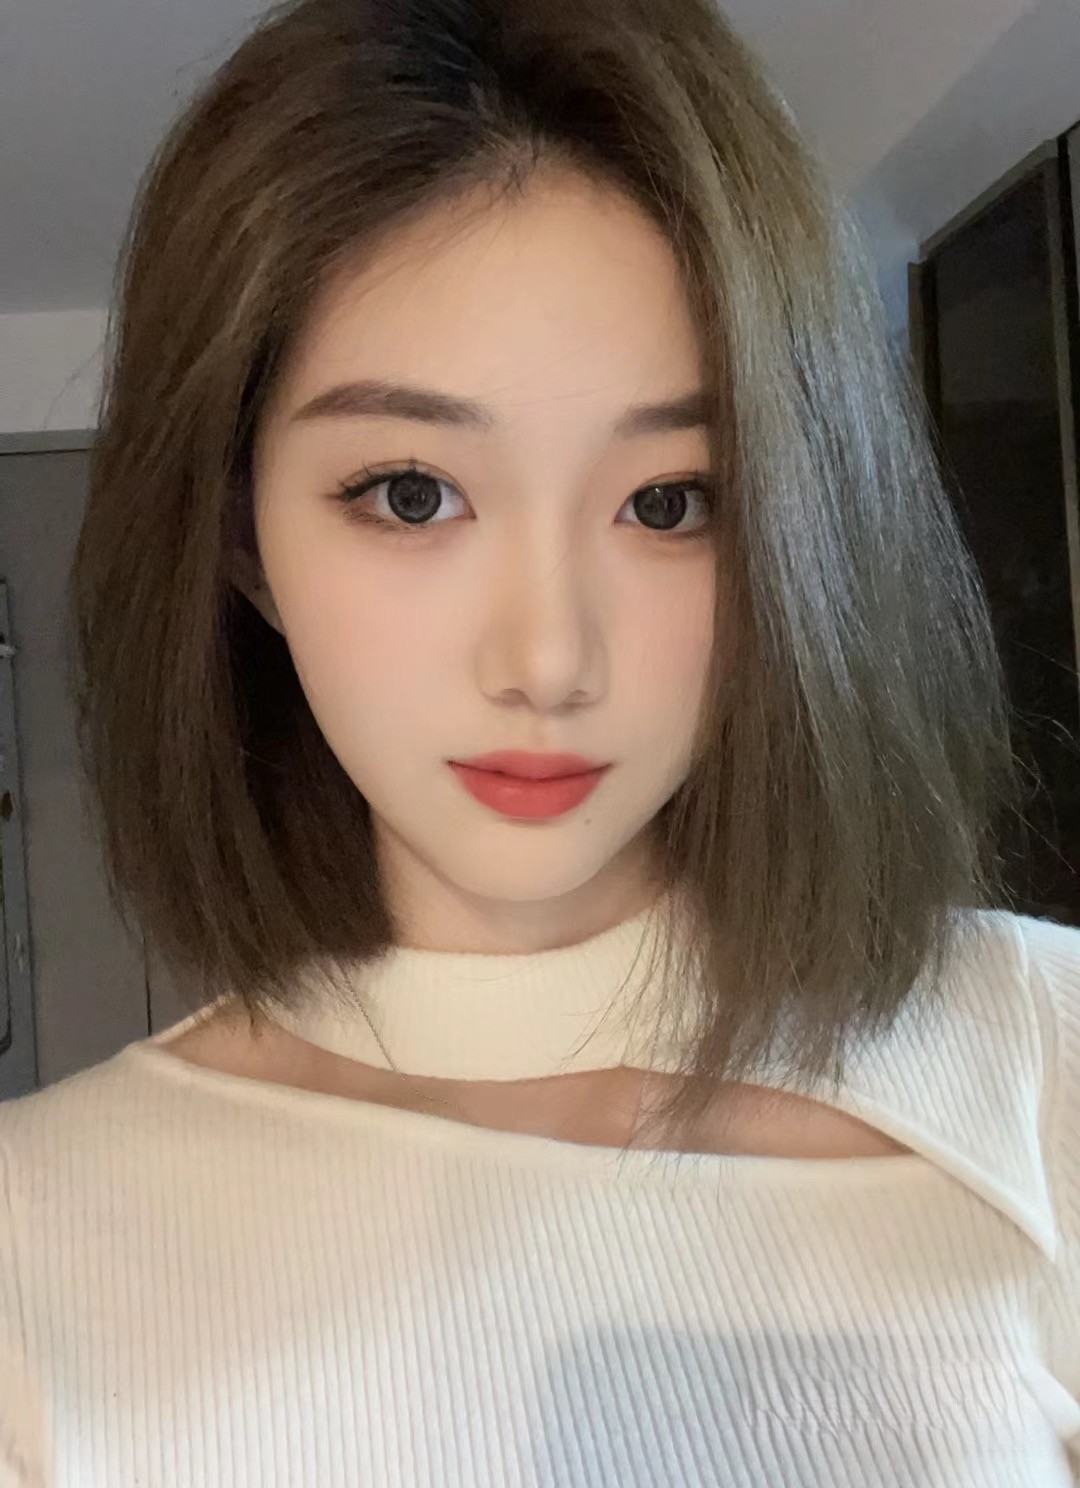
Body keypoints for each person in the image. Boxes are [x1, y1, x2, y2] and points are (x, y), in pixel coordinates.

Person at [1, 0, 1078, 1481]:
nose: (550, 662)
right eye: (410, 494)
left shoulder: (1044, 1054)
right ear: (240, 539)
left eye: (669, 503)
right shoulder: (33, 1241)